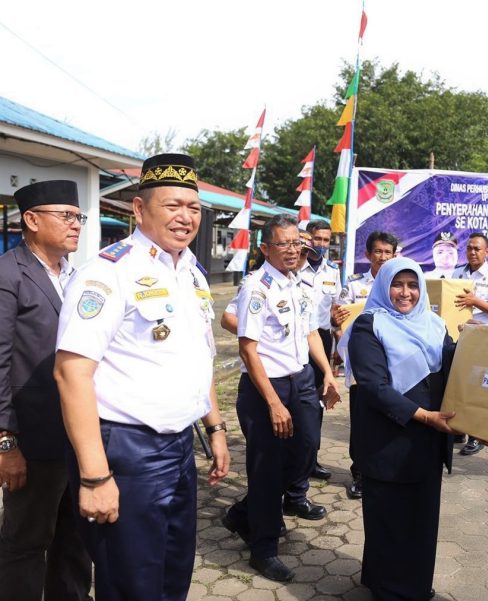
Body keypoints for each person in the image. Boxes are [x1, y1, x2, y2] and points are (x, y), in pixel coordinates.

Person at [53, 153, 231, 601]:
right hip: (126, 452)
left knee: (173, 574)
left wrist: (216, 427)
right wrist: (95, 477)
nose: (185, 217)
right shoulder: (110, 273)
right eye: (172, 206)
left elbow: (200, 357)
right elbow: (71, 372)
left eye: (193, 208)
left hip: (178, 448)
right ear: (139, 208)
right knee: (130, 584)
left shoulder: (190, 272)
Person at [224, 215, 338, 583]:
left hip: (302, 380)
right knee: (267, 469)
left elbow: (311, 334)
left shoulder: (298, 283)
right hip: (266, 388)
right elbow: (248, 349)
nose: (293, 250)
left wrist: (329, 374)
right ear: (265, 249)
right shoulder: (256, 288)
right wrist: (273, 402)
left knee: (305, 452)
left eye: (296, 243)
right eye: (284, 244)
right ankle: (263, 548)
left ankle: (244, 513)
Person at [343, 257, 456, 600]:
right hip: (388, 439)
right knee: (389, 518)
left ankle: (412, 583)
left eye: (412, 285)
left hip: (427, 442)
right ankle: (393, 590)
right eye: (397, 284)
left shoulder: (435, 325)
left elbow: (458, 369)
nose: (405, 293)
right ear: (383, 286)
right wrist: (422, 415)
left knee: (421, 519)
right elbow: (374, 387)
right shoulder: (368, 325)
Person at [0, 180, 92, 601]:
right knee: (26, 543)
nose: (76, 225)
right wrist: (6, 443)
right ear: (32, 220)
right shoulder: (8, 274)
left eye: (79, 217)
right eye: (67, 216)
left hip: (79, 435)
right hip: (32, 439)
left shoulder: (79, 276)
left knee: (74, 541)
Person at [333, 230, 399, 500]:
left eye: (388, 252)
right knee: (361, 422)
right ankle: (360, 473)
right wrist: (338, 326)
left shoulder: (401, 284)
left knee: (390, 419)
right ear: (368, 254)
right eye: (378, 252)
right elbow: (340, 325)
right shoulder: (354, 287)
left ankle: (385, 470)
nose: (383, 257)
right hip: (362, 367)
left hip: (394, 366)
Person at [452, 232, 488, 456]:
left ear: (487, 252)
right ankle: (460, 429)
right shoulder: (457, 273)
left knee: (477, 387)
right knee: (459, 384)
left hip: (482, 338)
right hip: (459, 336)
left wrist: (476, 301)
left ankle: (476, 437)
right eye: (469, 248)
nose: (472, 252)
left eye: (477, 249)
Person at [296, 219, 340, 481]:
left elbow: (335, 312)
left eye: (326, 240)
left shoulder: (332, 271)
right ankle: (296, 457)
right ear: (307, 238)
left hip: (321, 338)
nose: (321, 245)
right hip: (296, 339)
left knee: (318, 400)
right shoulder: (294, 267)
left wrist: (338, 330)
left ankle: (311, 458)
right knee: (297, 398)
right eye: (317, 239)